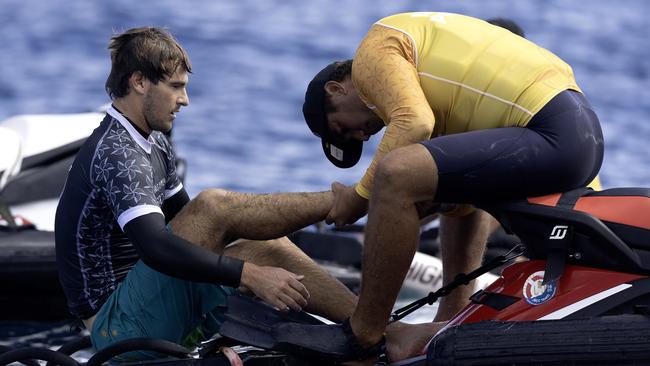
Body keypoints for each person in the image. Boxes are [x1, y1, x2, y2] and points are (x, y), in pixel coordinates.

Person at [302, 12, 603, 361]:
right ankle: (451, 322)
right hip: (581, 134)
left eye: (343, 129)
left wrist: (358, 198)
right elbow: (462, 206)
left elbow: (414, 123)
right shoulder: (440, 91)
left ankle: (363, 333)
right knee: (450, 192)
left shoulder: (375, 48)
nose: (363, 135)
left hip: (555, 132)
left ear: (336, 88)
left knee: (394, 172)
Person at [54, 26, 359, 361]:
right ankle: (344, 200)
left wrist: (250, 266)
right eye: (176, 87)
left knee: (264, 246)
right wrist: (250, 275)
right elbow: (157, 246)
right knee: (213, 205)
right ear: (139, 82)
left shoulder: (155, 143)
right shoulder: (117, 151)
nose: (185, 100)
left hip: (151, 304)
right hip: (116, 328)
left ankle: (371, 329)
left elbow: (199, 231)